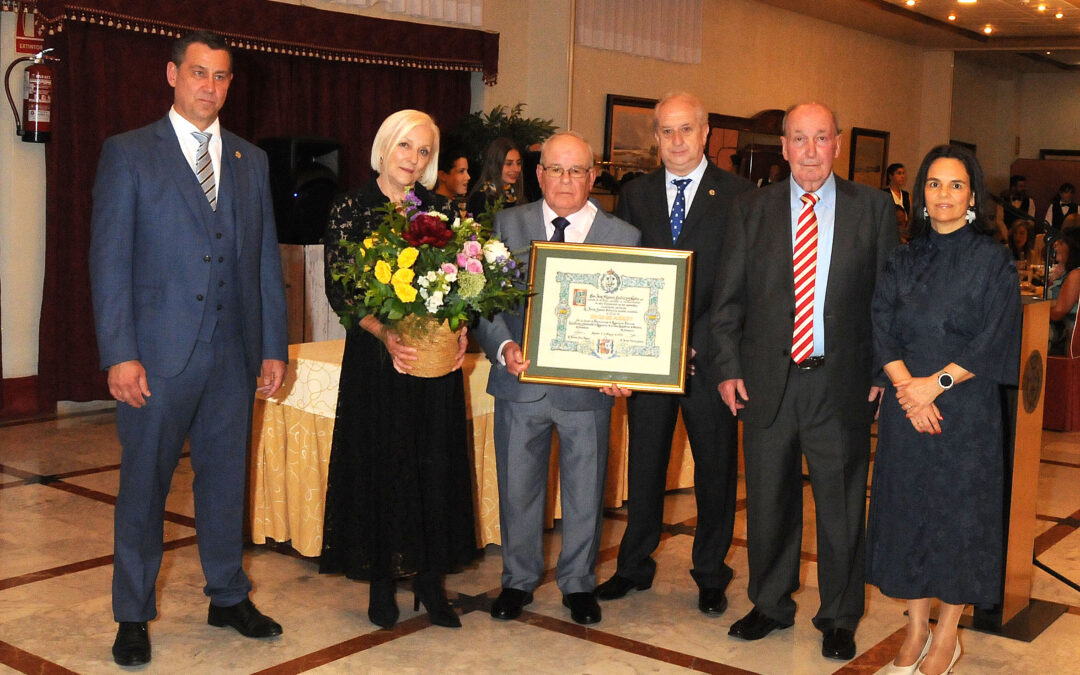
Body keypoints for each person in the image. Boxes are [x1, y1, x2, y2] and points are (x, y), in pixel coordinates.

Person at [89, 31, 288, 667]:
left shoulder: (249, 161)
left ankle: (227, 595)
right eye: (198, 73)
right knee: (144, 489)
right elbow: (109, 260)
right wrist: (119, 352)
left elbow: (262, 261)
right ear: (172, 75)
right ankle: (132, 613)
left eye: (221, 76)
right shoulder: (128, 154)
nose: (210, 86)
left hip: (232, 356)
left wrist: (272, 346)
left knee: (226, 483)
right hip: (155, 359)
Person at [709, 102, 896, 660]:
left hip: (841, 382)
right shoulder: (752, 209)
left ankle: (839, 615)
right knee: (768, 501)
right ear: (784, 147)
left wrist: (882, 371)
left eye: (820, 139)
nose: (810, 151)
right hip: (767, 381)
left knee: (840, 507)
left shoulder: (874, 208)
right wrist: (728, 368)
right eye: (799, 139)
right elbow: (728, 300)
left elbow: (888, 303)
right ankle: (769, 603)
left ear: (837, 144)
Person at [595, 92, 753, 615]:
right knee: (645, 466)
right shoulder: (635, 194)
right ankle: (634, 566)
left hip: (712, 359)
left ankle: (711, 572)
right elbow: (629, 277)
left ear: (706, 133)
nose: (678, 141)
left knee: (714, 471)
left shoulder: (738, 195)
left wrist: (699, 341)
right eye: (667, 131)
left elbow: (741, 284)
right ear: (656, 137)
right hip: (648, 360)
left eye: (687, 130)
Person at [473, 131, 640, 626]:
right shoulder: (507, 224)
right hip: (520, 383)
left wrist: (624, 369)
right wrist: (503, 347)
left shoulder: (624, 236)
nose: (566, 180)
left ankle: (578, 584)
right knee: (518, 488)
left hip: (589, 392)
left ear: (593, 176)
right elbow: (484, 301)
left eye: (577, 170)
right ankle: (517, 581)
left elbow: (630, 317)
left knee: (586, 491)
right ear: (539, 173)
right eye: (556, 169)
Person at [319, 109, 477, 630]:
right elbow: (340, 291)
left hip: (431, 362)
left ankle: (431, 581)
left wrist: (461, 330)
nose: (414, 159)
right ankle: (382, 581)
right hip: (377, 361)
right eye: (406, 146)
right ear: (384, 146)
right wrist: (384, 332)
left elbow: (461, 286)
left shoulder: (441, 210)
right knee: (382, 464)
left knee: (434, 462)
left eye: (424, 151)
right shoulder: (351, 207)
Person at [867, 144, 1021, 675]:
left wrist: (936, 384)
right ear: (920, 194)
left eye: (956, 185)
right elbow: (880, 323)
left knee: (959, 524)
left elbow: (996, 334)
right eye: (934, 184)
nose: (944, 195)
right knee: (908, 516)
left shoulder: (992, 259)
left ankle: (947, 637)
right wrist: (908, 387)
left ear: (973, 195)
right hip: (907, 405)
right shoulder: (902, 255)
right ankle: (914, 632)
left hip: (966, 410)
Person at [466, 137, 525, 216]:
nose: (516, 169)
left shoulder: (516, 193)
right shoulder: (481, 197)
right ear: (495, 165)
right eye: (508, 164)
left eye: (518, 163)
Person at [1048, 229, 1080, 355]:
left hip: (1066, 336)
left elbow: (1058, 313)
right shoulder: (1068, 272)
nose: (1055, 245)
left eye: (1061, 243)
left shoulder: (1076, 275)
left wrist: (1037, 311)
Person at [435, 137, 470, 219]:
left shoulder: (453, 205)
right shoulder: (434, 209)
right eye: (461, 171)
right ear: (443, 175)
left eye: (467, 171)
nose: (468, 177)